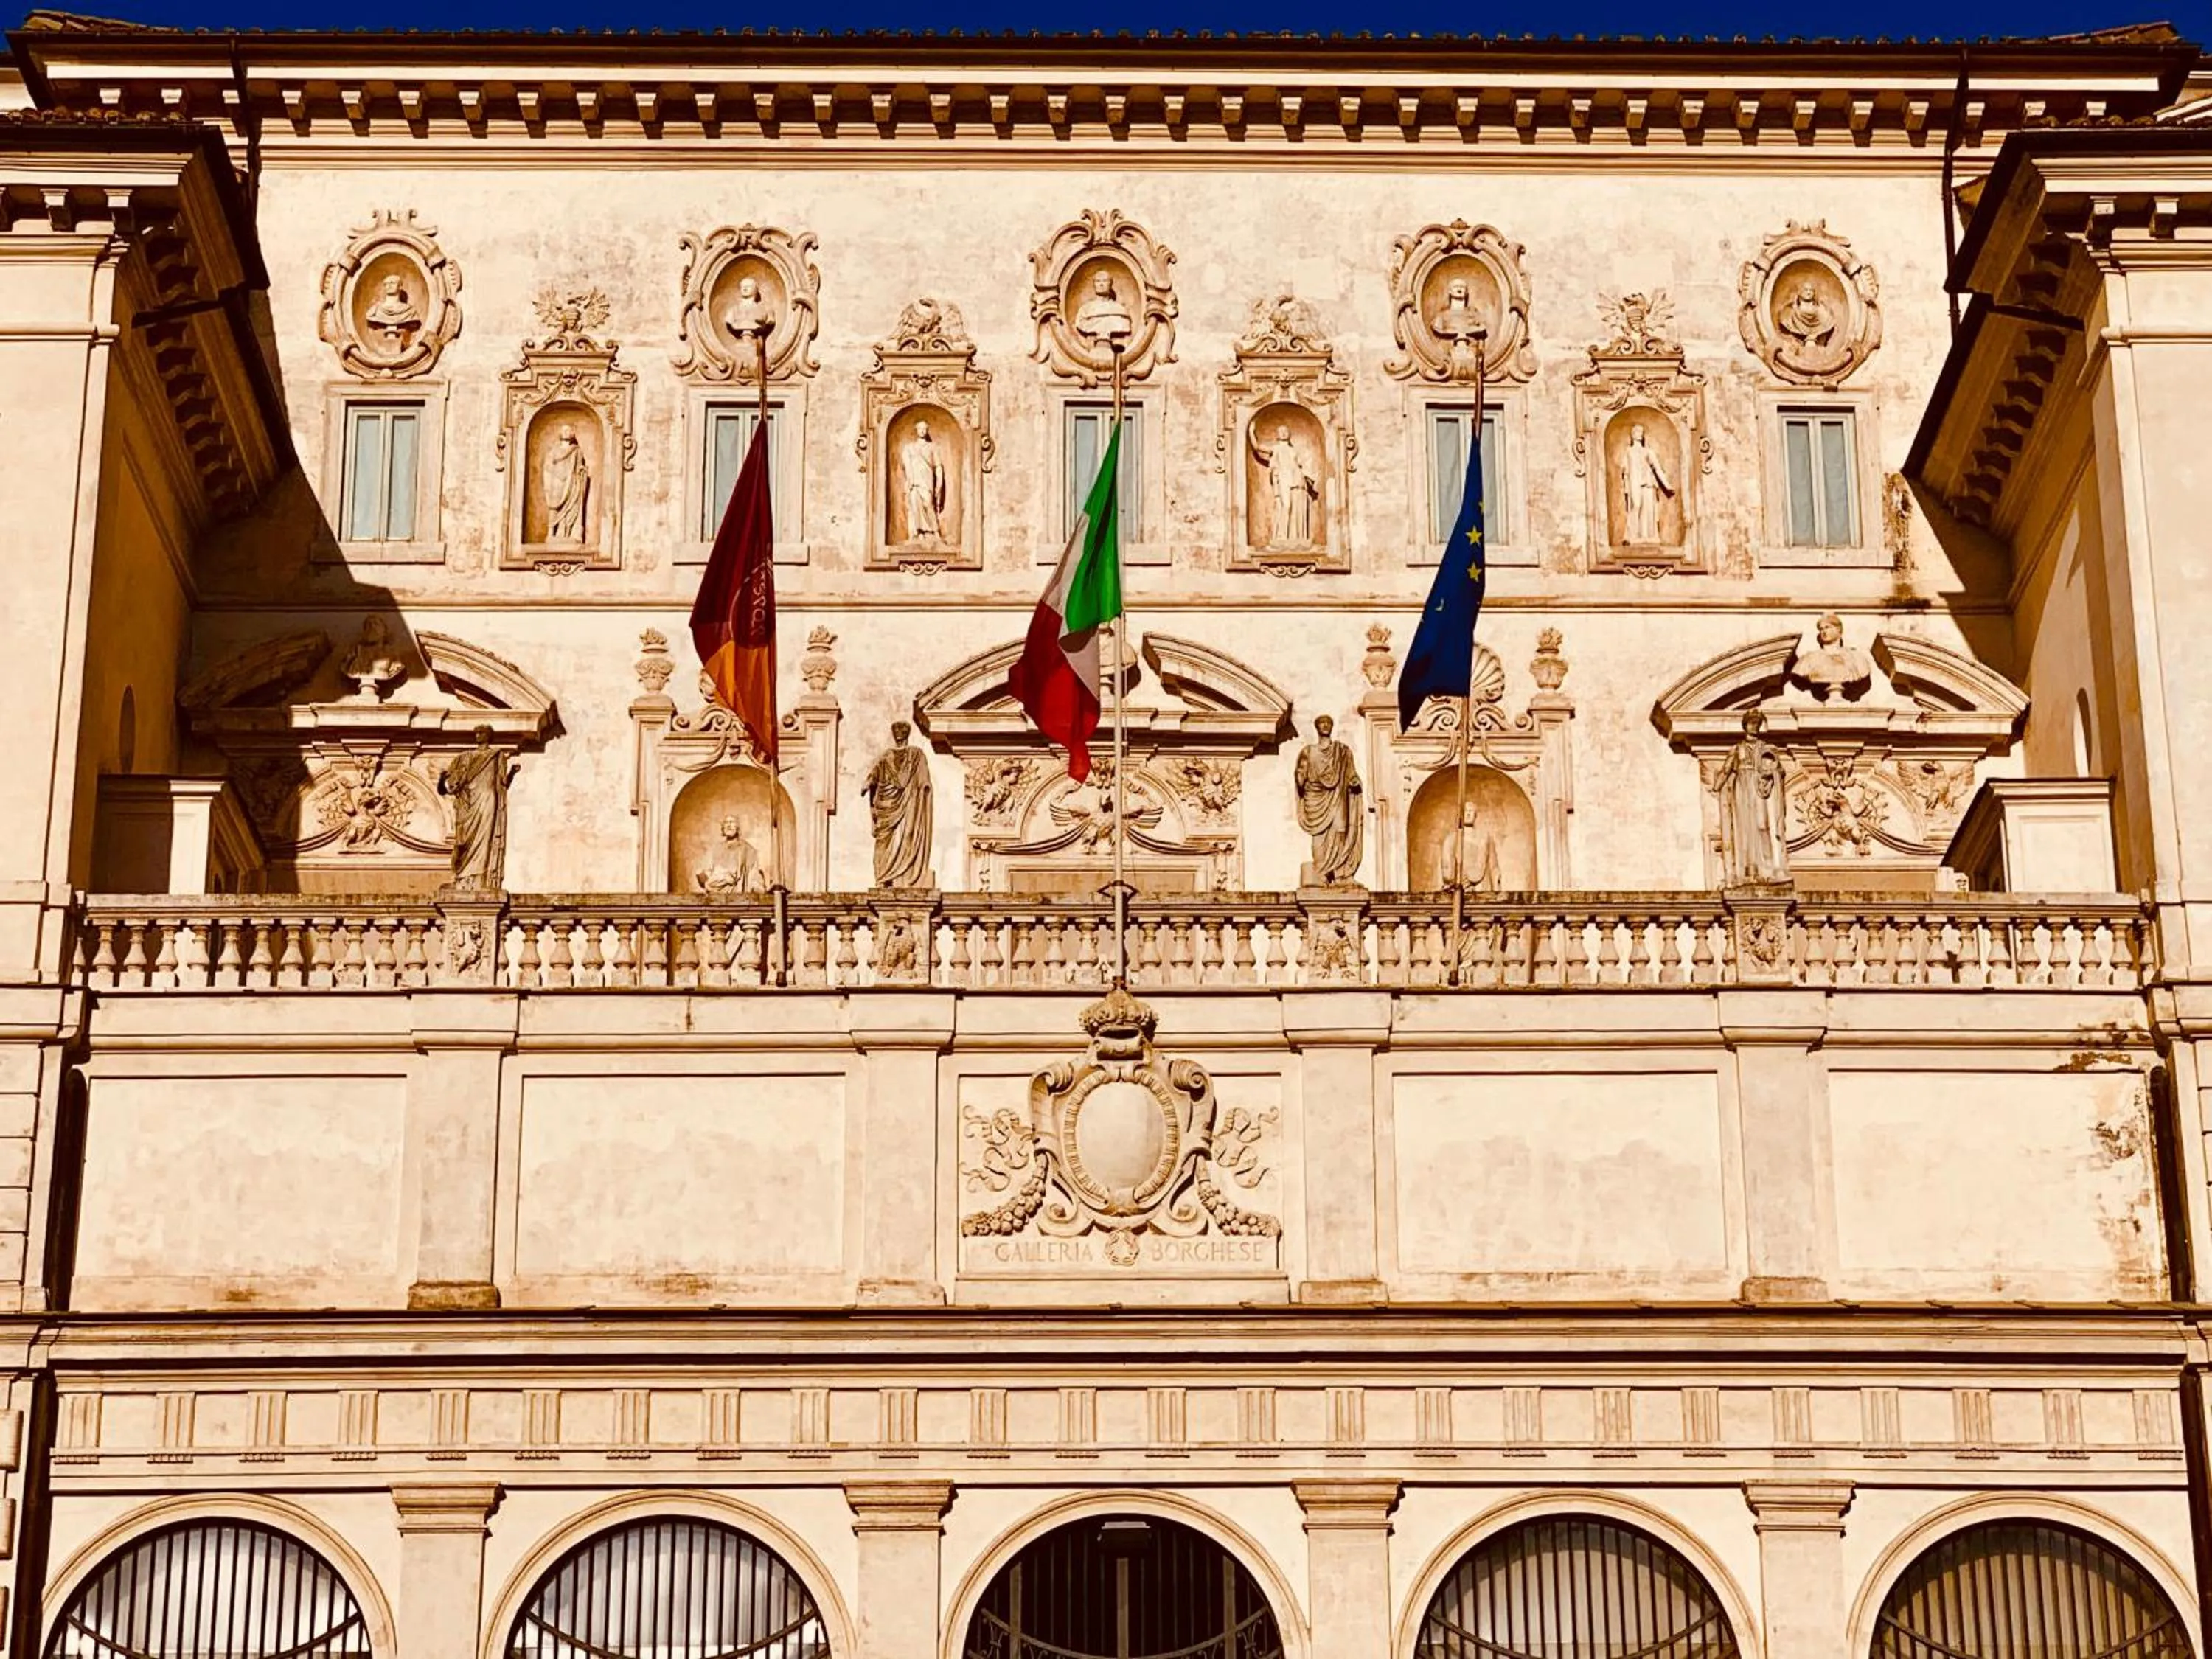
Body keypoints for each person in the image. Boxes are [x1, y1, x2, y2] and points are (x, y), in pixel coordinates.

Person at [1713, 709, 1790, 886]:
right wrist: (1717, 786)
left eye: (1757, 723)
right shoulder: (1737, 749)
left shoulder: (1767, 749)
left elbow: (1780, 770)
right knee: (1745, 830)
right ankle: (1748, 869)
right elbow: (1727, 769)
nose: (1754, 726)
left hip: (1760, 791)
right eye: (1751, 723)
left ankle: (1770, 868)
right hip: (1742, 790)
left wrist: (1772, 773)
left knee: (1762, 825)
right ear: (1745, 725)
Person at [439, 728, 517, 892]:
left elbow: (503, 782)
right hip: (467, 800)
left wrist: (512, 773)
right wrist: (444, 778)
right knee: (463, 840)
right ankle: (462, 876)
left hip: (487, 798)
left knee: (484, 838)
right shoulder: (465, 757)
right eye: (477, 733)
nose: (478, 735)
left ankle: (479, 878)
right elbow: (449, 785)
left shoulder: (497, 755)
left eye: (482, 733)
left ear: (489, 736)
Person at [863, 721, 933, 889]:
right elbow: (875, 774)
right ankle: (882, 876)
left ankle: (906, 874)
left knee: (908, 835)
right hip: (887, 804)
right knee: (884, 840)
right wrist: (868, 783)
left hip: (909, 802)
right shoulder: (886, 756)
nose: (899, 733)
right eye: (896, 730)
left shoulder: (917, 754)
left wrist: (924, 785)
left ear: (908, 733)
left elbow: (923, 776)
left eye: (902, 730)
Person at [1295, 714, 1364, 885]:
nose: (1325, 725)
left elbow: (1351, 773)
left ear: (1331, 727)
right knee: (1318, 836)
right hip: (1315, 798)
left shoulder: (1342, 751)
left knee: (1340, 831)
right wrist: (1300, 778)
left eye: (1328, 723)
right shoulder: (1308, 751)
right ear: (1317, 727)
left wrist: (1354, 780)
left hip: (1338, 796)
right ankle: (1321, 872)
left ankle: (1340, 872)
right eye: (1322, 723)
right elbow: (1301, 773)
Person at [1250, 422, 1317, 549]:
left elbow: (1301, 466)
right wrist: (1250, 431)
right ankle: (1282, 536)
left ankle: (1295, 536)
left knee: (1296, 505)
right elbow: (1257, 447)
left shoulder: (1294, 450)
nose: (1284, 433)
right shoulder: (1276, 449)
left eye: (1286, 431)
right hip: (1284, 477)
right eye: (1281, 431)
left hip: (1296, 477)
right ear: (1277, 436)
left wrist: (1308, 477)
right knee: (1286, 505)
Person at [1618, 422, 1674, 546]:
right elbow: (1624, 469)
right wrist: (1626, 485)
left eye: (1641, 432)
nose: (1640, 434)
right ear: (1632, 435)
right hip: (1634, 481)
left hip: (1648, 482)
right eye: (1637, 432)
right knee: (1636, 505)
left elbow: (1658, 468)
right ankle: (1631, 534)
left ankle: (1646, 535)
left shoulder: (1648, 451)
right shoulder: (1629, 451)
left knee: (1647, 509)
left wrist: (1667, 485)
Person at [898, 422, 948, 546]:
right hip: (914, 481)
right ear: (916, 430)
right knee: (915, 506)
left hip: (927, 481)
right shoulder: (910, 448)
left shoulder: (932, 447)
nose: (922, 431)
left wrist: (940, 483)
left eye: (925, 429)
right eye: (920, 429)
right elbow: (905, 464)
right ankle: (919, 532)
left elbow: (938, 467)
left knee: (928, 504)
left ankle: (935, 531)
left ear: (927, 431)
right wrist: (909, 479)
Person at [540, 424, 590, 545]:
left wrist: (581, 471)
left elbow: (579, 467)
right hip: (557, 483)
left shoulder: (577, 451)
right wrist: (557, 474)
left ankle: (567, 532)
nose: (567, 432)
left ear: (573, 434)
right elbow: (547, 466)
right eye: (565, 430)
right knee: (554, 507)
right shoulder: (554, 451)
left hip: (572, 482)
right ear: (561, 433)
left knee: (571, 507)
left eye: (569, 430)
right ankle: (551, 532)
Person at [695, 814, 765, 897]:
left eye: (732, 822)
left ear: (738, 828)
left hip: (738, 894)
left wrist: (757, 886)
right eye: (726, 823)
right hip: (717, 895)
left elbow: (754, 874)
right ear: (723, 829)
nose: (729, 825)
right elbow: (709, 875)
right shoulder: (717, 849)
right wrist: (703, 876)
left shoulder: (748, 850)